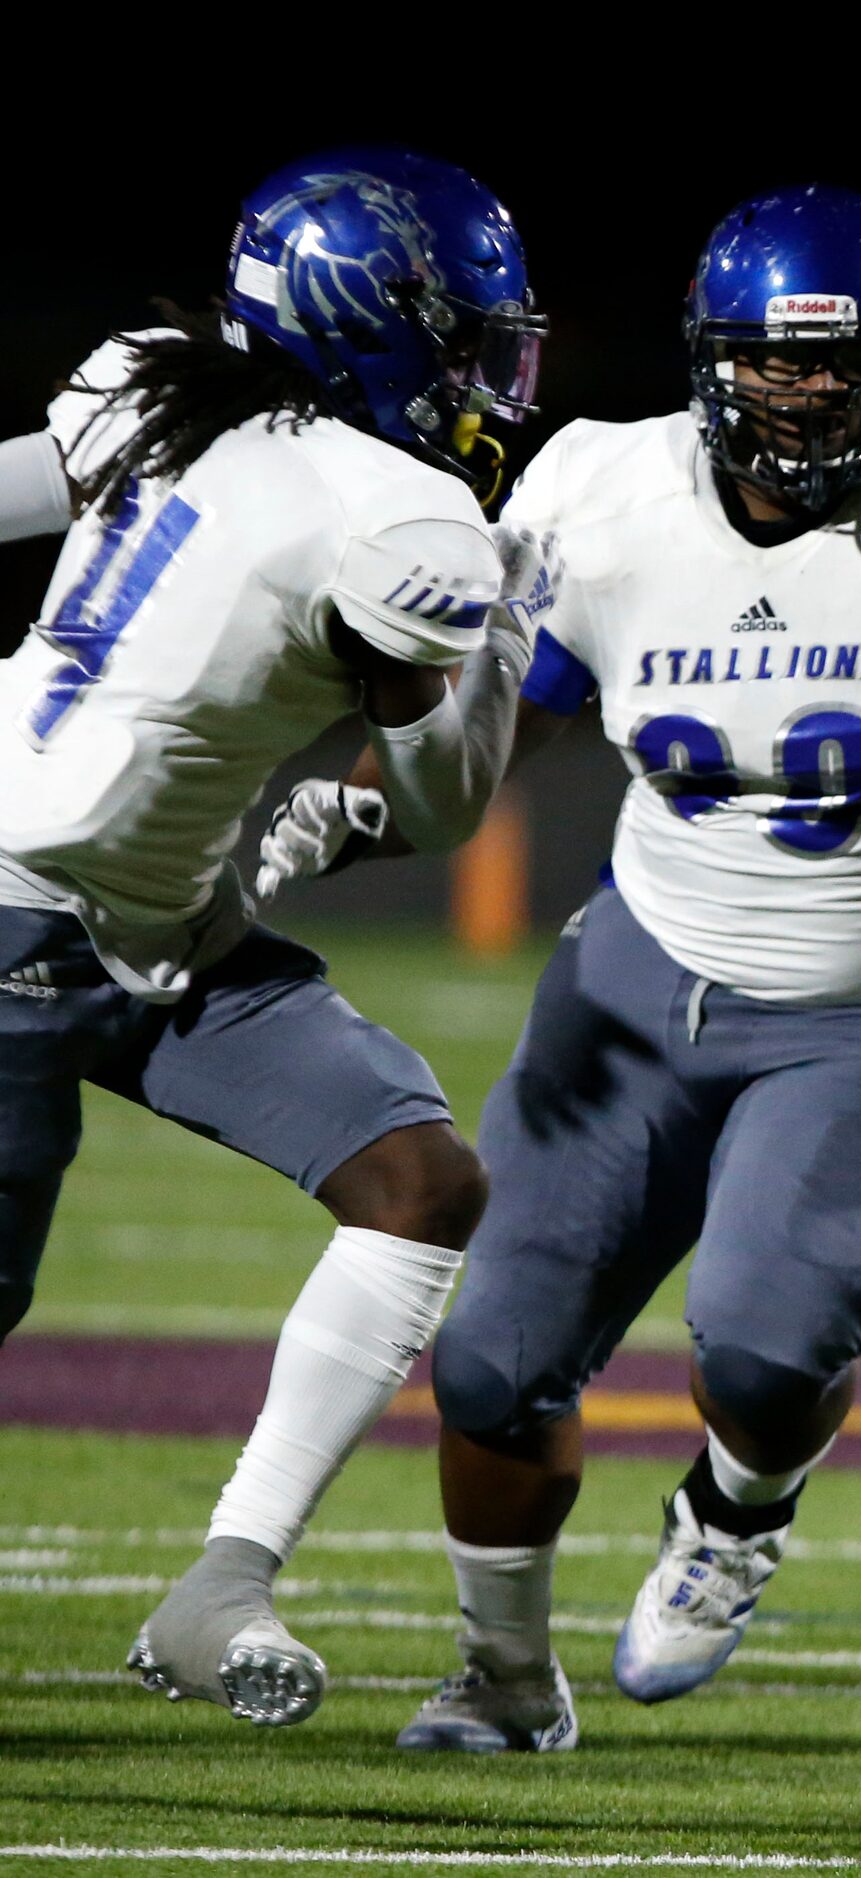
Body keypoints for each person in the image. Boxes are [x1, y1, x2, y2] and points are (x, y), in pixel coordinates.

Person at [257, 187, 861, 1753]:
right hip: (640, 983)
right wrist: (358, 813)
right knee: (493, 1359)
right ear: (710, 361)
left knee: (772, 1348)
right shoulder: (600, 492)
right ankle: (506, 1681)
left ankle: (736, 1510)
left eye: (850, 364)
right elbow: (522, 719)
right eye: (776, 365)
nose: (810, 395)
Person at [0, 150, 543, 1727]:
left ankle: (221, 1583)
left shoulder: (157, 390)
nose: (491, 379)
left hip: (165, 928)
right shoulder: (403, 516)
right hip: (21, 913)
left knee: (418, 1177)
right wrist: (495, 624)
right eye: (467, 341)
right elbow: (443, 803)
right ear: (371, 323)